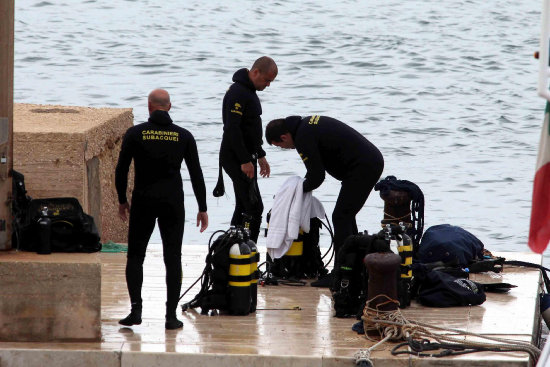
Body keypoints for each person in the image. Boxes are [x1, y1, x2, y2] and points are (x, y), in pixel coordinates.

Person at [115, 89, 208, 329]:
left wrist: (122, 200)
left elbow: (121, 169)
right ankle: (170, 316)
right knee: (172, 257)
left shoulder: (135, 134)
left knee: (136, 255)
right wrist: (203, 207)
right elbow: (196, 174)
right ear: (169, 106)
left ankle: (136, 311)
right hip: (172, 202)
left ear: (149, 107)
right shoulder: (184, 136)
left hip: (143, 200)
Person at [265, 115, 384, 287]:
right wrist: (301, 186)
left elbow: (317, 177)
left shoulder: (302, 137)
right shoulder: (304, 126)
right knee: (346, 216)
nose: (285, 148)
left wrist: (291, 192)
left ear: (284, 137)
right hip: (366, 162)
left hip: (362, 167)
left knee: (341, 217)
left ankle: (341, 272)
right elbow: (315, 172)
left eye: (281, 146)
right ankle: (353, 268)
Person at [213, 56, 278, 243]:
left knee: (244, 205)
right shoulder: (238, 93)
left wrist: (260, 155)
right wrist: (243, 160)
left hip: (245, 156)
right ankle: (247, 250)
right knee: (254, 207)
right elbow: (232, 129)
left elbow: (250, 128)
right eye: (267, 80)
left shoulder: (248, 91)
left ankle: (236, 249)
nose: (268, 85)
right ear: (255, 72)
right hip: (235, 157)